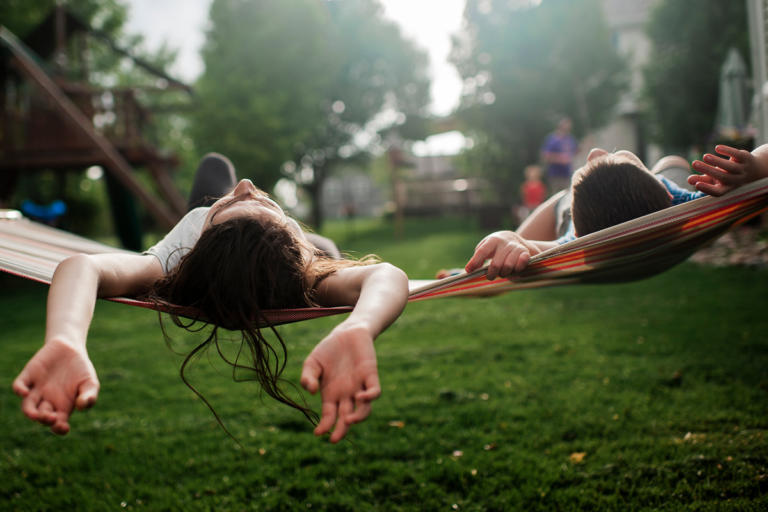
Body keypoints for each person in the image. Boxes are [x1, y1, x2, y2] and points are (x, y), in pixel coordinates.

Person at [12, 154, 409, 444]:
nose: (246, 185)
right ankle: (246, 216)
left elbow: (84, 266)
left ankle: (237, 212)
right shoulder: (184, 257)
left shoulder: (177, 258)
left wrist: (64, 339)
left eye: (247, 198)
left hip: (263, 241)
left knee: (217, 172)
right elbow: (387, 275)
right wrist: (358, 325)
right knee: (226, 178)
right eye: (252, 198)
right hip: (265, 243)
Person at [465, 144, 768, 280]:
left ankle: (472, 278)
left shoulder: (572, 240)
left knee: (503, 268)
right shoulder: (691, 204)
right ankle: (662, 168)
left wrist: (509, 238)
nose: (595, 153)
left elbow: (526, 248)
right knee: (673, 163)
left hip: (565, 207)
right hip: (667, 198)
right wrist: (754, 167)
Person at [540, 117, 579, 193]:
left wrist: (586, 145)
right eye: (566, 124)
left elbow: (575, 152)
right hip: (556, 175)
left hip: (567, 174)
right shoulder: (552, 139)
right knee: (558, 198)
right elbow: (545, 156)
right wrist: (561, 159)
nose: (568, 126)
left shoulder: (570, 139)